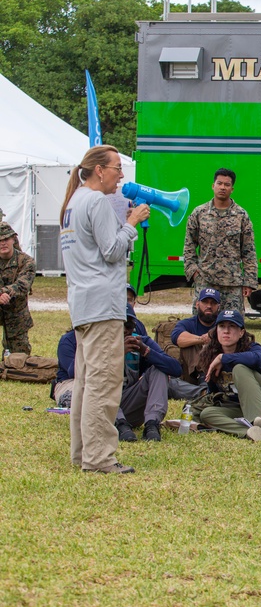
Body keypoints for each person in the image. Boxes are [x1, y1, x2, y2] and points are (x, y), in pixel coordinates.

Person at [60, 144, 149, 474]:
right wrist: (132, 222)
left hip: (84, 304)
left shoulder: (74, 202)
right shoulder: (95, 200)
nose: (121, 175)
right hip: (102, 305)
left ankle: (83, 453)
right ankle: (99, 459)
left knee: (86, 382)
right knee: (104, 382)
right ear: (99, 170)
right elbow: (112, 250)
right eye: (117, 168)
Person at [52, 309, 181, 443]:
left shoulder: (140, 341)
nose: (125, 330)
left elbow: (176, 369)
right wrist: (115, 353)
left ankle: (152, 424)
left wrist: (146, 352)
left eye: (129, 325)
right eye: (120, 324)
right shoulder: (91, 341)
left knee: (159, 370)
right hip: (99, 407)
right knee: (88, 380)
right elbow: (76, 373)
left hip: (128, 402)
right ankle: (120, 425)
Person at [193, 310, 261, 441]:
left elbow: (256, 359)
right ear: (216, 331)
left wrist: (223, 358)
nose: (226, 331)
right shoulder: (209, 356)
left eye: (232, 326)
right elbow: (214, 392)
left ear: (241, 332)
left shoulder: (253, 348)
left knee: (239, 368)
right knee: (207, 413)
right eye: (222, 326)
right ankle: (250, 432)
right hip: (241, 408)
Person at [182, 168, 256, 312]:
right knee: (202, 324)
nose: (223, 187)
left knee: (233, 326)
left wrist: (249, 281)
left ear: (232, 189)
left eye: (227, 185)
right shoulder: (199, 213)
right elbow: (189, 245)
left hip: (232, 285)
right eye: (219, 183)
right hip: (205, 281)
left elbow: (249, 252)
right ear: (213, 186)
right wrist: (194, 272)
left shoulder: (241, 216)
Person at [170, 287, 221, 392]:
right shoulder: (187, 323)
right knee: (191, 345)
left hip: (218, 370)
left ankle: (200, 390)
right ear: (197, 304)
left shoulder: (223, 324)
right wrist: (203, 339)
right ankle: (204, 383)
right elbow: (177, 338)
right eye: (205, 302)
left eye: (213, 303)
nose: (209, 306)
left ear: (218, 307)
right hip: (191, 373)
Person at [0, 220, 36, 354]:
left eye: (6, 238)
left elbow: (22, 286)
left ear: (13, 240)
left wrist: (3, 293)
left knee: (19, 360)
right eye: (0, 240)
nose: (3, 243)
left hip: (16, 313)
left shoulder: (27, 261)